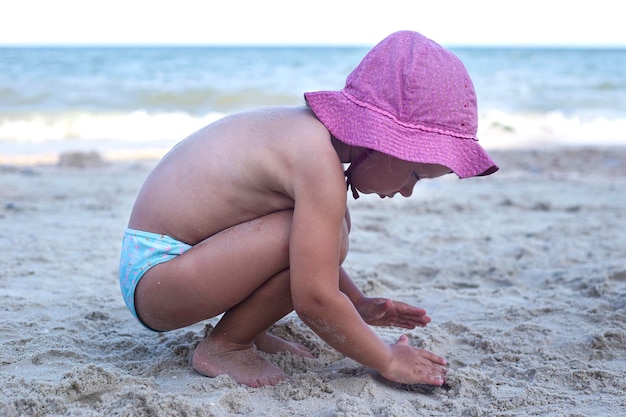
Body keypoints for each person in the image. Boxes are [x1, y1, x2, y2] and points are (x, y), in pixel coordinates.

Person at [119, 30, 498, 388]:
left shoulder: (309, 139)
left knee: (328, 230)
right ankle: (226, 346)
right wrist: (387, 358)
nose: (409, 191)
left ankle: (248, 327)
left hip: (168, 268)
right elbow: (313, 297)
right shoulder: (316, 163)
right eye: (415, 173)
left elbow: (312, 255)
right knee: (332, 236)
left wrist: (358, 304)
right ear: (384, 142)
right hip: (159, 280)